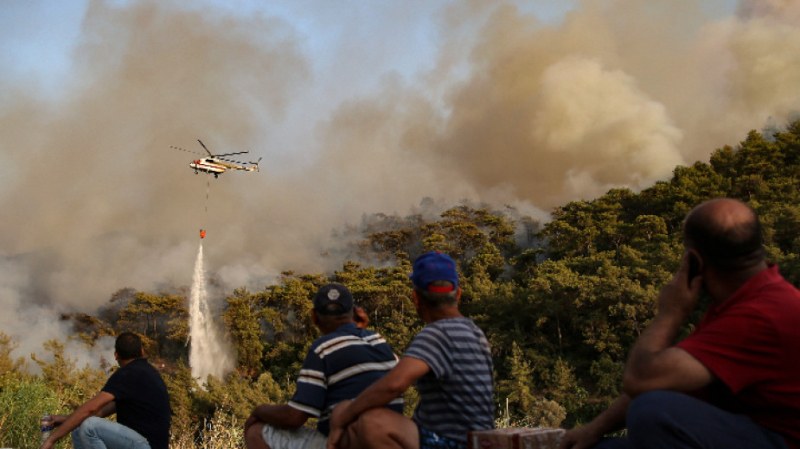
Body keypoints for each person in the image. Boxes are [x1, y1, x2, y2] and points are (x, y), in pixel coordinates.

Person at [560, 198, 800, 449]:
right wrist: (592, 430)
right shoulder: (745, 300)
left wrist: (670, 313)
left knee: (653, 411)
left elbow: (641, 379)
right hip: (748, 431)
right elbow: (667, 379)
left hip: (779, 440)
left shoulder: (760, 314)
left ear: (694, 260)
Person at [327, 251, 495, 449]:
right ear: (458, 293)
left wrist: (345, 414)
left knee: (372, 423)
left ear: (415, 297)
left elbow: (394, 385)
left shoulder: (437, 333)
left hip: (453, 442)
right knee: (355, 432)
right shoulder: (473, 331)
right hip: (473, 439)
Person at [244, 283, 403, 449]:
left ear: (314, 317)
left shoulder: (322, 348)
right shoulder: (379, 341)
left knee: (258, 431)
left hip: (347, 442)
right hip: (388, 438)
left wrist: (259, 410)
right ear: (355, 311)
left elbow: (294, 417)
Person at [40, 332, 171, 449]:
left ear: (116, 355)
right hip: (141, 443)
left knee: (89, 427)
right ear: (142, 352)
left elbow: (90, 409)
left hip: (147, 445)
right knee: (79, 427)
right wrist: (63, 419)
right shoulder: (148, 372)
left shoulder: (128, 374)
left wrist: (52, 439)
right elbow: (100, 412)